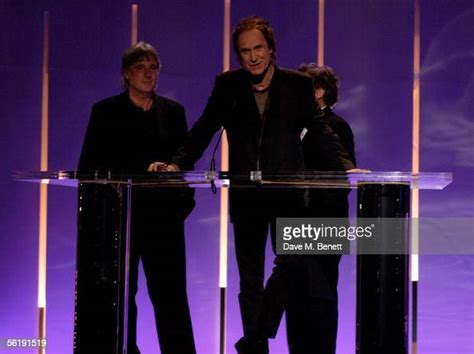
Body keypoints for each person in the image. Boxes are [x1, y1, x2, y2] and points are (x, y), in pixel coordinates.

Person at [149, 17, 353, 354]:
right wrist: (176, 163)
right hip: (246, 196)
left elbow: (321, 129)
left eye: (258, 48)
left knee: (291, 264)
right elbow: (204, 129)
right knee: (249, 279)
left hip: (286, 195)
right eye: (245, 51)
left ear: (271, 49)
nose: (253, 56)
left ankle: (257, 335)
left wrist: (348, 167)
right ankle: (257, 346)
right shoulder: (228, 85)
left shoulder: (297, 84)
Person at [78, 42, 196, 354]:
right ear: (127, 74)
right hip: (120, 220)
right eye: (140, 68)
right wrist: (141, 169)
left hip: (164, 221)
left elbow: (186, 161)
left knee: (171, 298)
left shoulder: (173, 112)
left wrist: (177, 191)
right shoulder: (105, 112)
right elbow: (90, 167)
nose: (148, 74)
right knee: (119, 298)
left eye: (153, 67)